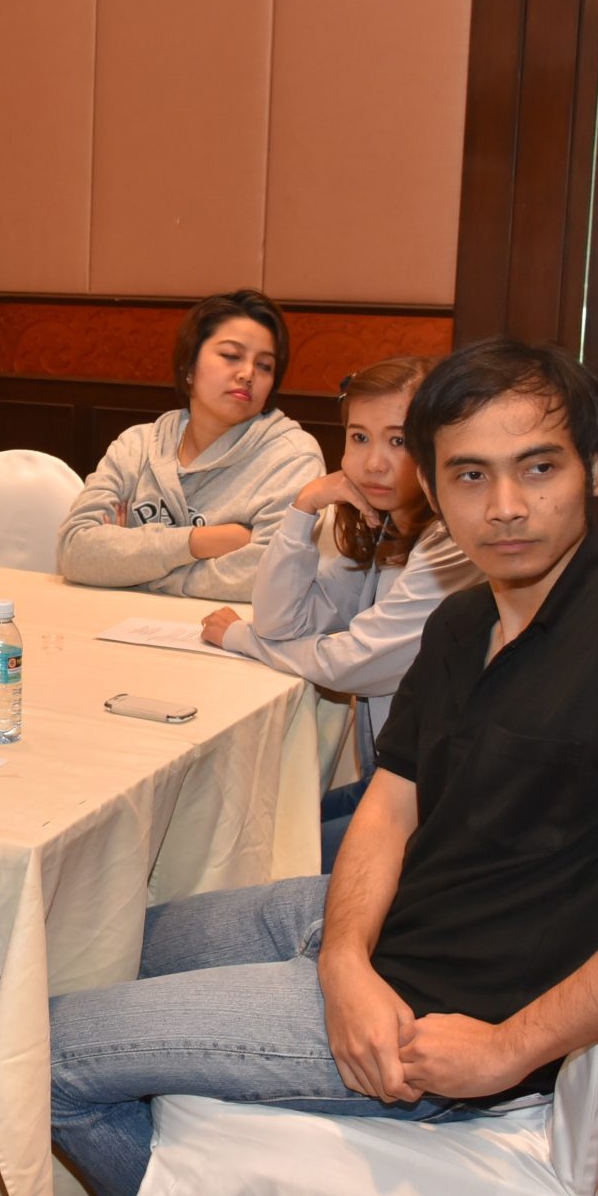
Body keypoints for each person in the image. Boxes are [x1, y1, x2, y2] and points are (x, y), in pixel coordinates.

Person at [45, 339, 598, 1196]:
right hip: (381, 931)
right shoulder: (466, 618)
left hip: (443, 1016)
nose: (504, 506)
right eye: (470, 475)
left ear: (593, 468)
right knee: (107, 939)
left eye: (538, 468)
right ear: (430, 485)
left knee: (45, 1053)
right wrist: (343, 958)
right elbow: (391, 804)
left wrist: (509, 1046)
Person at [200, 355, 482, 868]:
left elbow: (354, 663)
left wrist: (242, 639)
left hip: (441, 805)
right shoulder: (380, 525)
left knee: (261, 859)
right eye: (359, 437)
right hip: (389, 779)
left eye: (398, 441)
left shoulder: (454, 542)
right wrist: (303, 508)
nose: (374, 462)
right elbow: (283, 622)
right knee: (243, 836)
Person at [55, 288, 324, 600]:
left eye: (265, 365)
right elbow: (74, 551)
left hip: (225, 628)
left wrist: (132, 569)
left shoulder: (292, 458)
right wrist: (201, 542)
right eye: (231, 356)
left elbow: (272, 576)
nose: (248, 373)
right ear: (188, 368)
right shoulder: (136, 446)